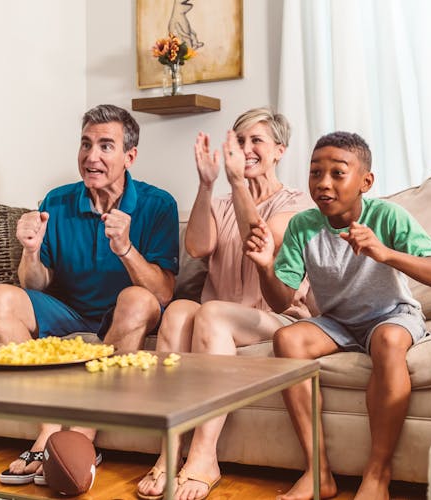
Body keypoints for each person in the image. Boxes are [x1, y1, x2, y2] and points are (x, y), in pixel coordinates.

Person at [245, 132, 431, 500]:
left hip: (391, 314)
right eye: (315, 173)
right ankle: (318, 472)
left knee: (389, 341)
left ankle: (377, 475)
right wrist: (265, 269)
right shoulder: (302, 226)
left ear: (366, 181)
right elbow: (280, 303)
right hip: (338, 322)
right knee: (287, 338)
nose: (323, 183)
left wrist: (385, 253)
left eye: (337, 173)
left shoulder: (387, 216)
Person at [0, 104, 179, 486]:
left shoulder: (158, 204)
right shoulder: (56, 201)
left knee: (136, 299)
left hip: (122, 315)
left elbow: (164, 292)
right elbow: (34, 285)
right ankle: (50, 429)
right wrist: (31, 251)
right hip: (66, 312)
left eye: (106, 146)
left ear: (129, 156)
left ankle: (82, 436)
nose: (92, 156)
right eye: (86, 144)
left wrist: (125, 249)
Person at [137, 107, 313, 500]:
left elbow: (261, 242)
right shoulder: (219, 203)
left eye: (257, 141)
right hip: (217, 319)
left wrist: (235, 182)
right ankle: (171, 448)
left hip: (275, 317)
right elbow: (199, 247)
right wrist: (205, 184)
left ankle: (204, 455)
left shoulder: (298, 205)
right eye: (240, 141)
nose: (247, 149)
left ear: (280, 151)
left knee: (212, 312)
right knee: (180, 311)